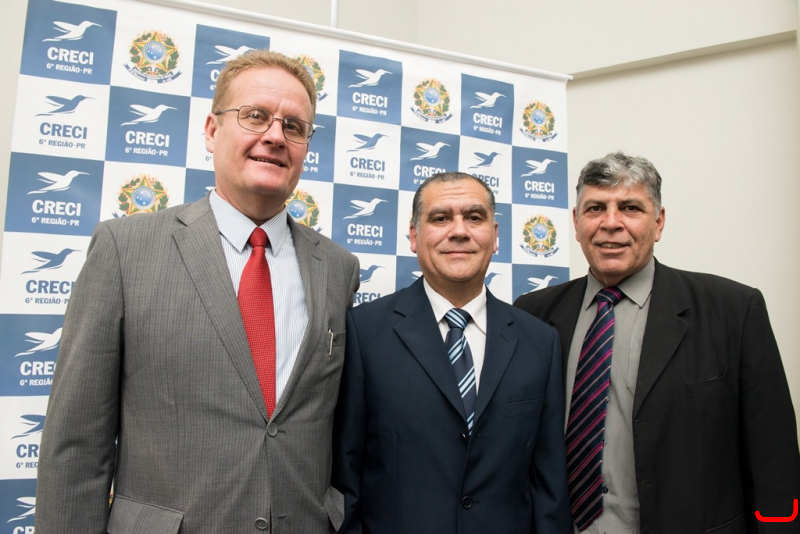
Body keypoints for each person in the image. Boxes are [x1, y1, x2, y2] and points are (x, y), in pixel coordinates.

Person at [35, 50, 360, 533]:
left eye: (294, 126)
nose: (275, 136)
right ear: (211, 130)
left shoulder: (337, 267)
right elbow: (75, 443)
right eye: (255, 116)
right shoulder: (124, 249)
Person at [515, 151, 800, 533]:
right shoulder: (533, 313)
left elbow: (773, 454)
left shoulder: (733, 310)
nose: (611, 223)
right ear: (577, 222)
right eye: (596, 208)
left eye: (630, 208)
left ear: (659, 221)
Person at [333, 172, 572, 533]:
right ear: (414, 236)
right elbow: (345, 475)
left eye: (474, 217)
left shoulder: (540, 341)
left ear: (495, 236)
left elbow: (549, 483)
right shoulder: (364, 331)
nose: (459, 231)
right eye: (441, 218)